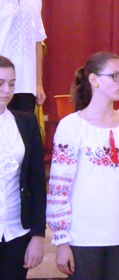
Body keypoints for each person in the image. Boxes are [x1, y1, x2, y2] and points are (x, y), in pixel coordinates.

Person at [46, 52, 119, 278]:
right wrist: (62, 240)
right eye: (115, 76)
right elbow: (59, 189)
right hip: (83, 237)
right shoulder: (71, 127)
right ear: (94, 79)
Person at [0, 55, 45, 279]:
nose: (7, 90)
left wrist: (38, 235)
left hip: (16, 233)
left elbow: (37, 183)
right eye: (0, 83)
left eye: (12, 83)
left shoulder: (26, 122)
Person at [0, 0, 46, 113]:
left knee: (23, 128)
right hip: (1, 82)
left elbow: (37, 41)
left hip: (26, 84)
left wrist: (38, 83)